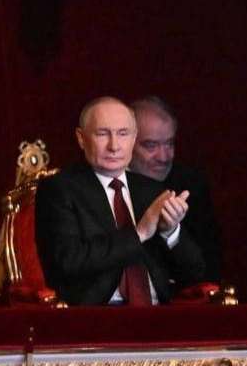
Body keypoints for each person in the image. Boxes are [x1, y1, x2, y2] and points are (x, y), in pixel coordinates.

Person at [34, 97, 205, 306]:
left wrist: (171, 231)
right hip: (96, 318)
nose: (114, 146)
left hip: (157, 314)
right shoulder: (59, 189)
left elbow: (195, 273)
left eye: (123, 134)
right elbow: (67, 262)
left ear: (134, 138)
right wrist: (139, 233)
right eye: (102, 134)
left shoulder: (151, 190)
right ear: (81, 138)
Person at [129, 96, 222, 281]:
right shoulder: (100, 185)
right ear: (126, 142)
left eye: (169, 144)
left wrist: (171, 233)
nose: (164, 157)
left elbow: (207, 268)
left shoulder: (191, 186)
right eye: (151, 145)